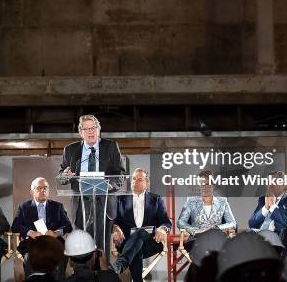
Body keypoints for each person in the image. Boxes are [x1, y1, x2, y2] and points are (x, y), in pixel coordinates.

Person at [58, 114, 125, 259]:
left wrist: (109, 186)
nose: (90, 132)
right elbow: (61, 177)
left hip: (104, 202)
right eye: (86, 129)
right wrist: (65, 175)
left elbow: (120, 174)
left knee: (102, 250)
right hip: (81, 203)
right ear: (80, 133)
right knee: (83, 249)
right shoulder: (70, 150)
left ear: (99, 129)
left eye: (93, 128)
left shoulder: (111, 147)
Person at [111, 168, 172, 282]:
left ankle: (120, 265)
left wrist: (163, 229)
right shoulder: (120, 200)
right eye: (133, 179)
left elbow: (166, 221)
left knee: (140, 233)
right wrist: (114, 227)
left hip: (151, 243)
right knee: (136, 246)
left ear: (147, 183)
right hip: (126, 242)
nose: (135, 182)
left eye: (139, 179)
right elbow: (112, 221)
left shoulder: (156, 199)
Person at [12, 177, 72, 280]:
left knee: (61, 256)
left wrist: (56, 233)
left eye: (45, 188)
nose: (43, 190)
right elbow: (15, 226)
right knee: (29, 258)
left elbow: (68, 226)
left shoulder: (57, 207)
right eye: (39, 188)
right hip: (33, 242)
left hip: (54, 242)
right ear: (32, 192)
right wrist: (30, 233)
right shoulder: (24, 207)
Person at [177, 170, 236, 249]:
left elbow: (232, 223)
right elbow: (180, 222)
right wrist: (195, 230)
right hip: (196, 240)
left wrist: (217, 228)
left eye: (207, 184)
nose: (204, 187)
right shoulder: (191, 201)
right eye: (201, 184)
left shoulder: (223, 202)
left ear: (213, 186)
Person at [248, 170, 287, 235]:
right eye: (268, 181)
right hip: (260, 234)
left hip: (278, 235)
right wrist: (266, 208)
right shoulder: (262, 199)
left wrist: (273, 207)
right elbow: (251, 224)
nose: (270, 185)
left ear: (283, 185)